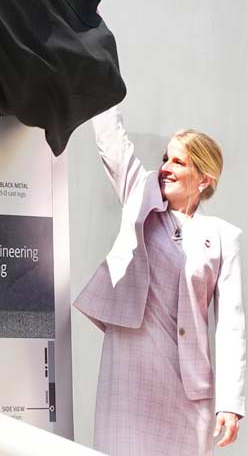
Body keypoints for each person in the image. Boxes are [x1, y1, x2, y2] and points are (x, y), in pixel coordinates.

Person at [75, 105, 246, 455]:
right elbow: (111, 141)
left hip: (188, 392)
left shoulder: (224, 236)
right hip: (129, 380)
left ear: (204, 179)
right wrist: (100, 81)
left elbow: (231, 326)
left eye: (179, 162)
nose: (165, 168)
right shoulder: (140, 196)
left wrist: (230, 402)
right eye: (166, 158)